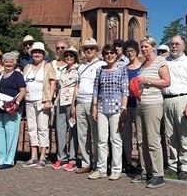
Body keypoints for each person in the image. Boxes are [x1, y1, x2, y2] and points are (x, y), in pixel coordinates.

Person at [132, 36, 170, 188]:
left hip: (153, 104)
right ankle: (146, 171)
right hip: (140, 104)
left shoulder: (161, 61)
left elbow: (167, 81)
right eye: (142, 47)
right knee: (142, 140)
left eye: (146, 46)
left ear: (153, 47)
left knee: (153, 139)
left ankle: (158, 174)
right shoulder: (142, 65)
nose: (143, 49)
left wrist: (147, 80)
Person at [88, 44, 129, 180]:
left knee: (115, 139)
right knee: (101, 139)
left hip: (116, 108)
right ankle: (101, 169)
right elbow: (96, 89)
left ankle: (116, 169)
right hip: (101, 108)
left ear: (116, 54)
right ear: (103, 56)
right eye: (106, 54)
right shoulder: (100, 70)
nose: (109, 55)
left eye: (111, 53)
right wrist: (94, 106)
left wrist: (124, 108)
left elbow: (125, 90)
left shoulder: (122, 69)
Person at [162, 35, 187, 180]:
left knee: (184, 135)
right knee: (170, 136)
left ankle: (185, 167)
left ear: (184, 46)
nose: (174, 46)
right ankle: (173, 166)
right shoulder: (165, 62)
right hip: (167, 101)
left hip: (183, 99)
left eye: (177, 44)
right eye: (172, 44)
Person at [72, 38, 105, 174]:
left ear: (96, 50)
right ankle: (86, 163)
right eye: (86, 49)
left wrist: (97, 105)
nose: (89, 51)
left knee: (97, 135)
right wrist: (73, 104)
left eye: (92, 48)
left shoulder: (102, 64)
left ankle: (98, 163)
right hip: (80, 101)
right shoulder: (81, 66)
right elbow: (77, 85)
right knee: (82, 134)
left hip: (93, 103)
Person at [0, 52, 27, 169]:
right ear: (3, 63)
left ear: (15, 63)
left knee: (11, 134)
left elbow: (23, 91)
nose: (8, 63)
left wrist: (16, 103)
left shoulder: (17, 75)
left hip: (12, 109)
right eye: (6, 61)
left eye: (11, 62)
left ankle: (9, 160)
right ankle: (1, 159)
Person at [22, 42, 56, 168]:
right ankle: (33, 156)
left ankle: (43, 156)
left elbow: (52, 83)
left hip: (42, 100)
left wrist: (49, 100)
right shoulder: (27, 67)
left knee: (42, 128)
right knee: (31, 128)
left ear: (43, 54)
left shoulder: (47, 66)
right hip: (29, 101)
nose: (37, 54)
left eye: (39, 52)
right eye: (35, 52)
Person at [52, 46, 79, 172]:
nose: (68, 57)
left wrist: (74, 104)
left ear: (75, 58)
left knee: (73, 131)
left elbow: (77, 87)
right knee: (60, 130)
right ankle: (62, 157)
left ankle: (72, 159)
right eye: (67, 56)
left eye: (71, 56)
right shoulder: (63, 70)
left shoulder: (78, 69)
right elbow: (60, 87)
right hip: (61, 102)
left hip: (71, 102)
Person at [122, 40, 141, 173]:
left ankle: (141, 162)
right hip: (127, 105)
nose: (130, 53)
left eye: (132, 51)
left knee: (140, 135)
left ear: (136, 51)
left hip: (139, 104)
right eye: (127, 52)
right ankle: (129, 163)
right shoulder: (124, 69)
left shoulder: (143, 67)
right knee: (126, 135)